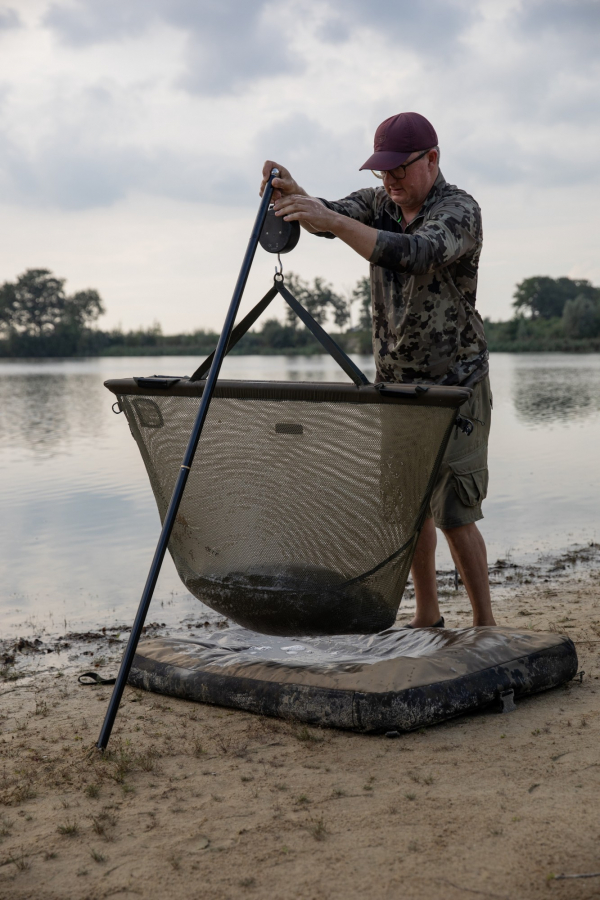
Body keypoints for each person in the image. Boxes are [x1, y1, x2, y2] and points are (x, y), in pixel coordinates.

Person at [260, 111, 496, 628]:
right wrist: (296, 196)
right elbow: (328, 214)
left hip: (456, 385)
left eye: (399, 169)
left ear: (432, 160)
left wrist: (339, 224)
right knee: (408, 512)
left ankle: (485, 626)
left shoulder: (458, 211)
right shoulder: (377, 203)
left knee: (455, 513)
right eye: (381, 171)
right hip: (396, 388)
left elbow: (414, 253)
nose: (389, 181)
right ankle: (427, 616)